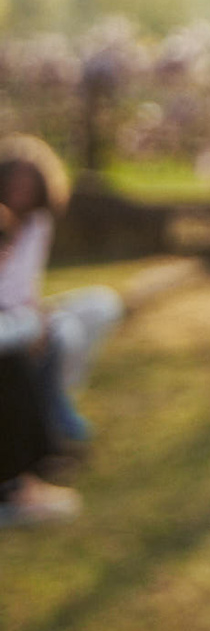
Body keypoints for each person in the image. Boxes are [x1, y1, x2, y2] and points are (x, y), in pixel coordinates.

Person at [0, 132, 121, 529]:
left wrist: (33, 318)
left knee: (74, 321)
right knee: (17, 351)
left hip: (18, 315)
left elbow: (23, 285)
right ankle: (18, 482)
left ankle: (41, 449)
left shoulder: (36, 223)